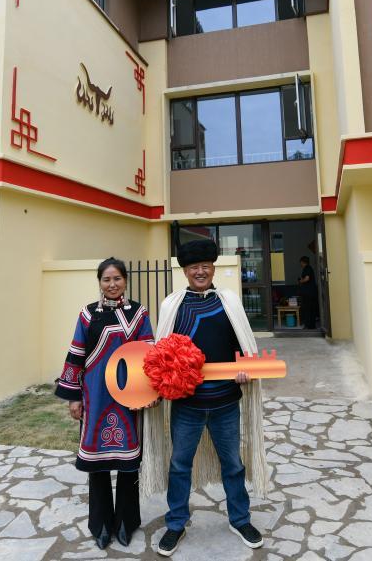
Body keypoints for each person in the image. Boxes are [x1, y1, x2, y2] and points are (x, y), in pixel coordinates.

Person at [142, 238, 269, 557]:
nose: (200, 272)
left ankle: (240, 520)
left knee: (233, 465)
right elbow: (162, 354)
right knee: (179, 465)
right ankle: (176, 524)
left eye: (205, 266)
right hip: (187, 405)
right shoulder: (172, 305)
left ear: (213, 268)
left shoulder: (229, 302)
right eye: (193, 267)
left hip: (226, 401)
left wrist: (245, 368)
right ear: (185, 271)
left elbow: (242, 346)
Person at [55, 257, 154, 550]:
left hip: (128, 396)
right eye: (106, 279)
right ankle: (100, 525)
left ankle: (126, 522)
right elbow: (76, 355)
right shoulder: (88, 314)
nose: (112, 284)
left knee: (128, 464)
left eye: (117, 279)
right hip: (95, 395)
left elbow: (149, 356)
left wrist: (146, 393)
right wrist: (73, 396)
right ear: (99, 282)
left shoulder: (139, 313)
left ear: (126, 280)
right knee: (97, 464)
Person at [297, 255, 319, 329]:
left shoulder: (307, 268)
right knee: (311, 309)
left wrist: (301, 281)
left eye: (300, 262)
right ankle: (311, 326)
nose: (300, 264)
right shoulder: (309, 268)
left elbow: (307, 278)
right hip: (311, 293)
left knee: (308, 309)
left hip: (309, 293)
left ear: (303, 262)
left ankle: (309, 326)